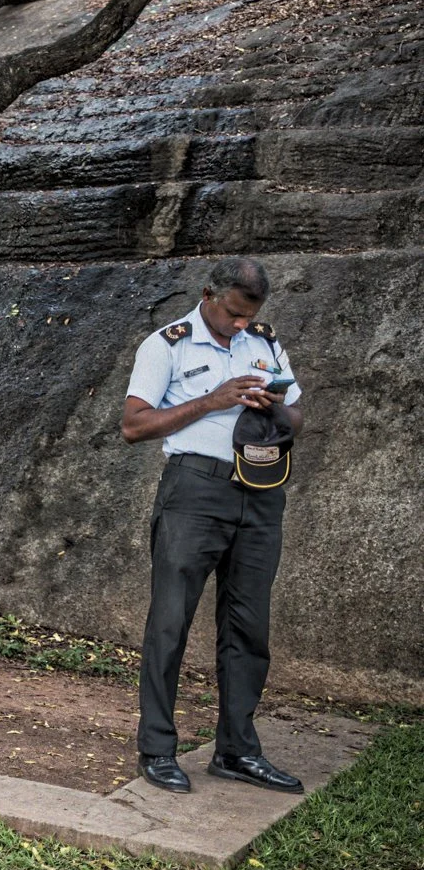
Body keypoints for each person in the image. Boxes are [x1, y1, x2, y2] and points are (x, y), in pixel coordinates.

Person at [120, 257, 302, 795]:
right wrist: (214, 400)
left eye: (250, 316)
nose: (241, 325)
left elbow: (298, 418)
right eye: (234, 313)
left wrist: (274, 405)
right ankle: (157, 749)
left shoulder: (264, 343)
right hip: (194, 490)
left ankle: (237, 750)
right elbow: (134, 426)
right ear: (208, 294)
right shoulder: (167, 345)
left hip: (261, 488)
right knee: (171, 621)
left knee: (249, 627)